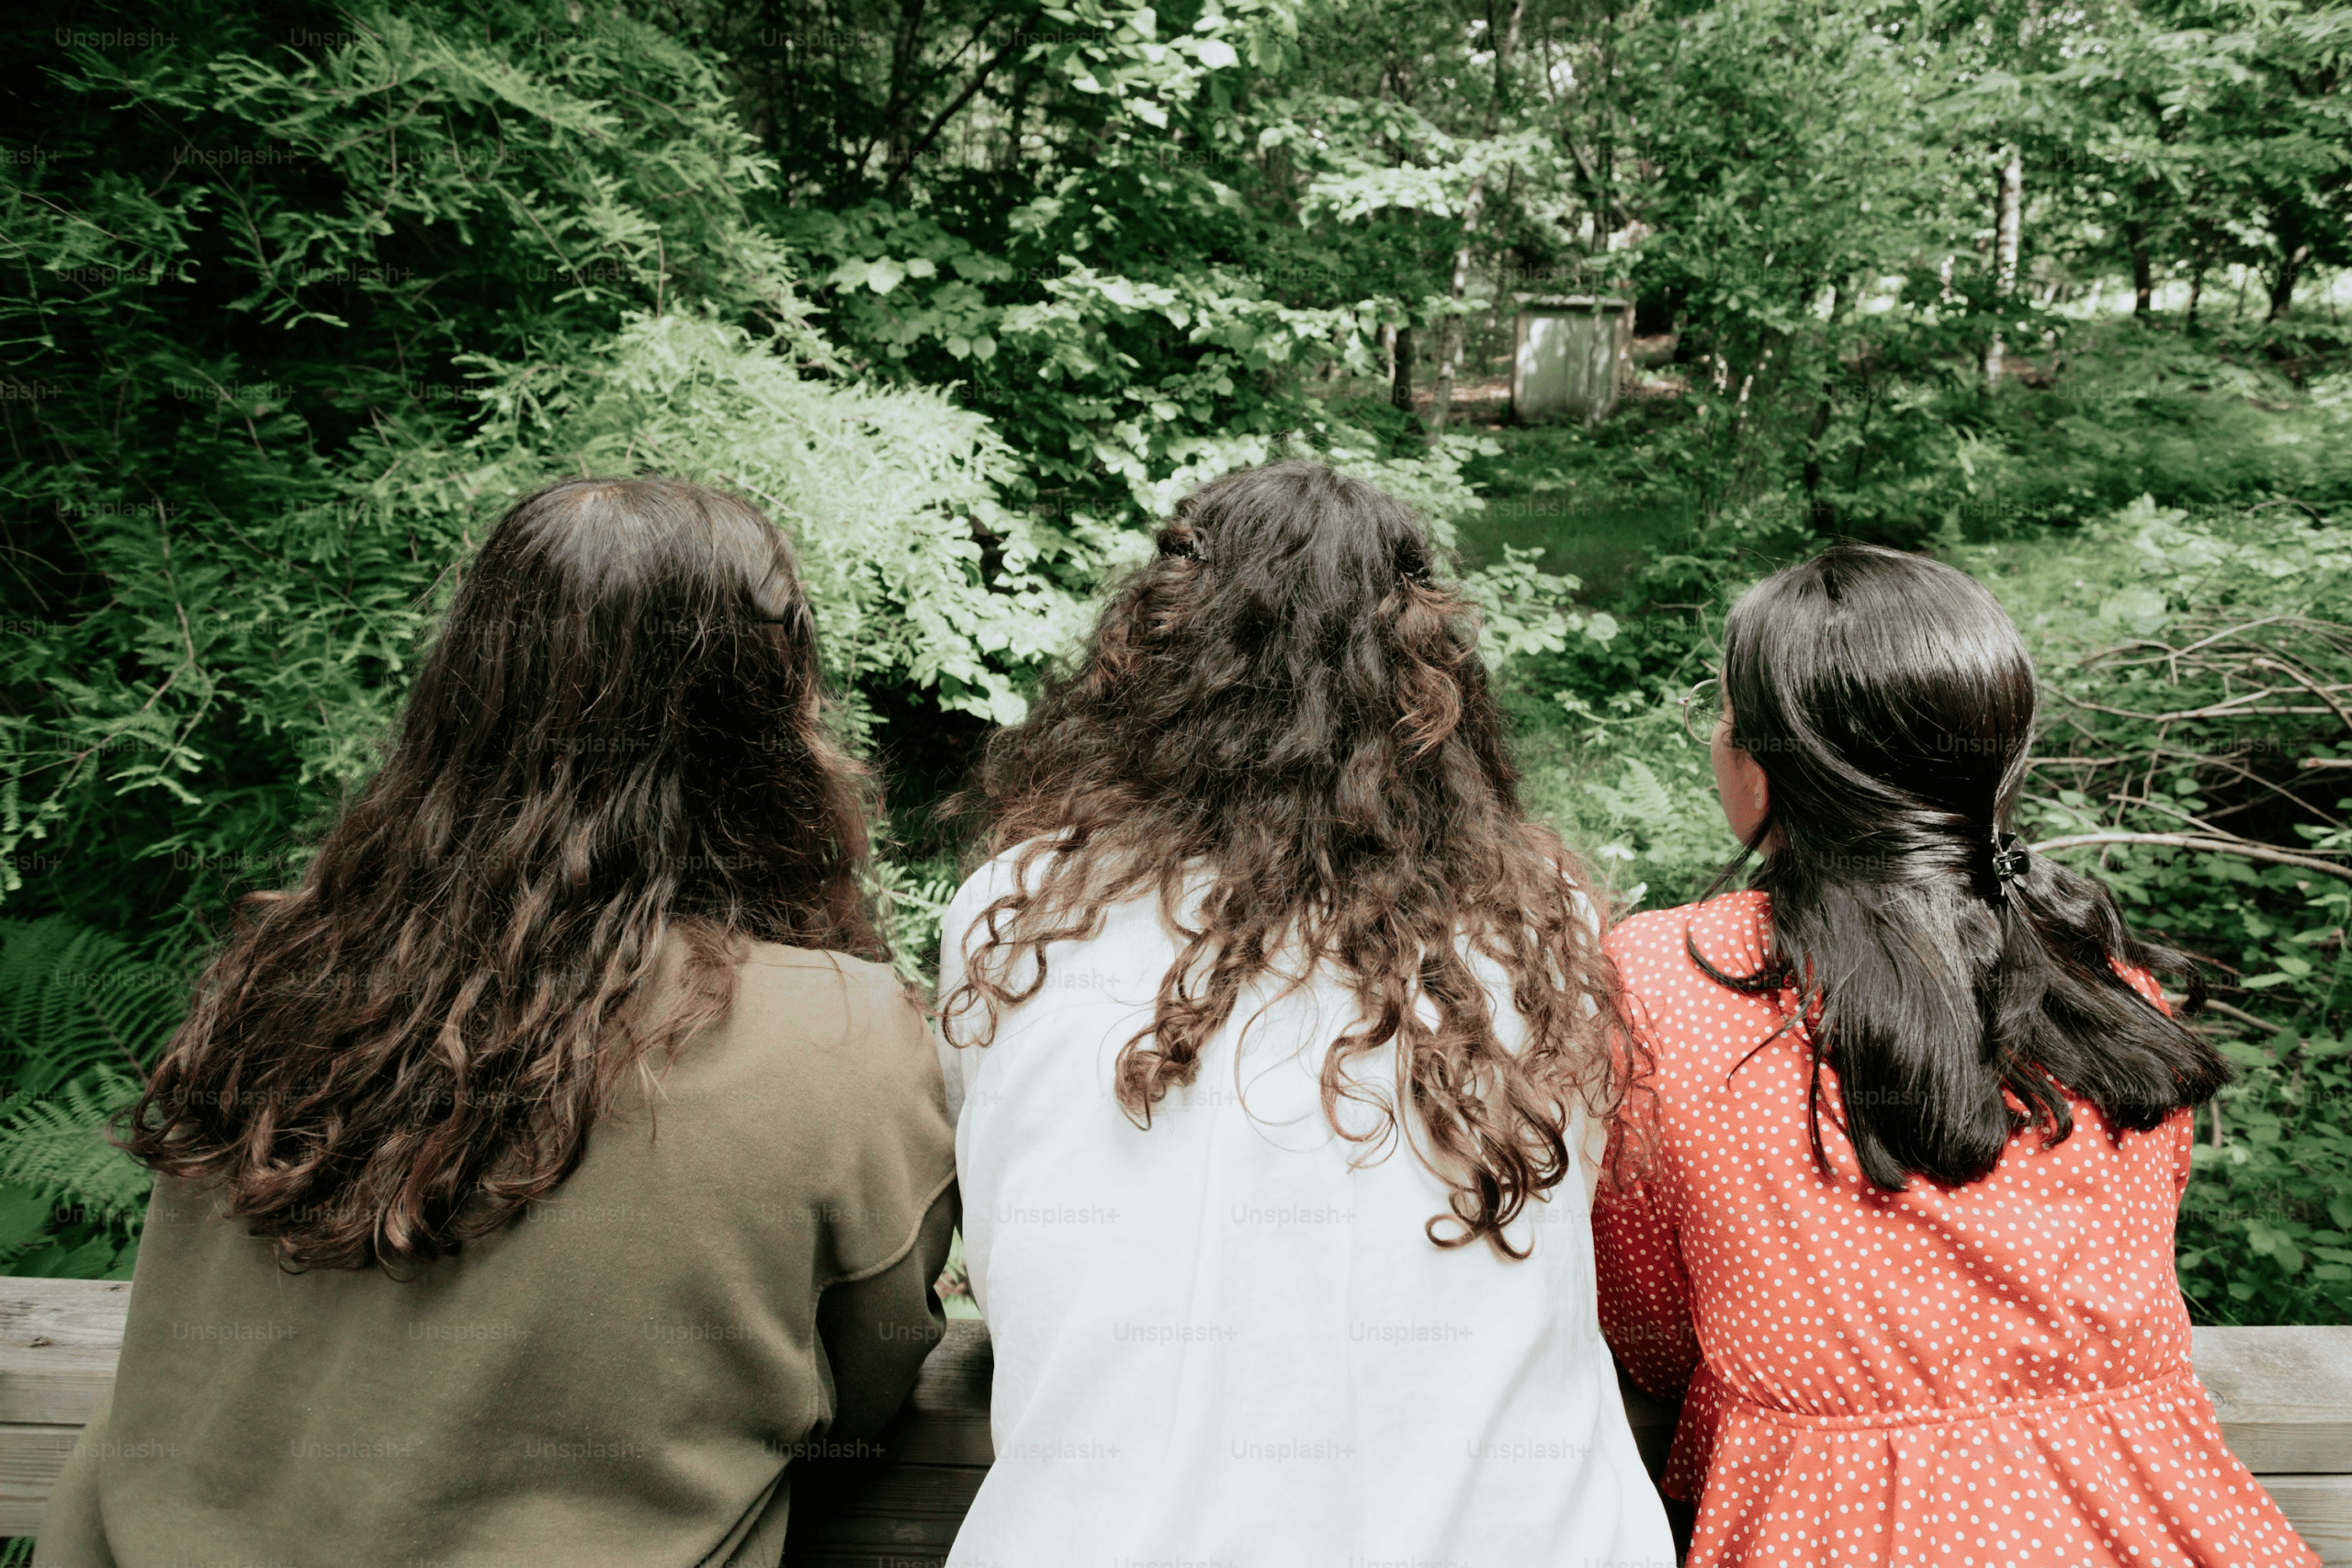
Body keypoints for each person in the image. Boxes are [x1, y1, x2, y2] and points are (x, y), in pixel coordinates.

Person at [37, 479, 957, 1568]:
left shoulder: (277, 976)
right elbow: (862, 1391)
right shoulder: (841, 1034)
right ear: (766, 714)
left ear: (462, 690)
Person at [933, 458, 1673, 1565]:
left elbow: (997, 1221)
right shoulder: (1537, 920)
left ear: (1158, 650)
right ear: (1430, 678)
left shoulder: (1021, 911)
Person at [1593, 541, 2318, 1567]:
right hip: (2160, 1518)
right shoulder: (2112, 996)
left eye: (1723, 717)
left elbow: (1654, 1330)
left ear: (1763, 767)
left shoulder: (1667, 979)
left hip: (1826, 1531)